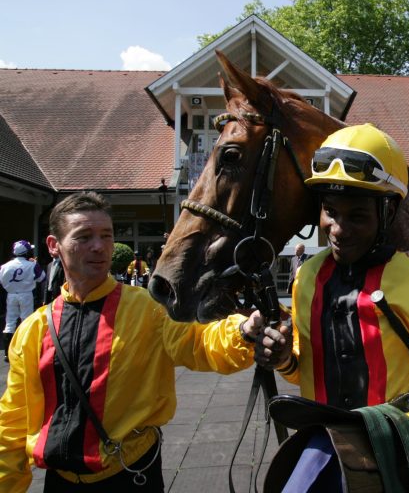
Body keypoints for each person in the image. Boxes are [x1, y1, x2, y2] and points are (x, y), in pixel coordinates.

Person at [0, 191, 263, 492]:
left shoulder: (149, 308)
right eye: (84, 237)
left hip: (131, 474)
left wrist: (242, 331)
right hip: (60, 481)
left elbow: (199, 344)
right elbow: (13, 421)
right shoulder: (33, 330)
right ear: (53, 246)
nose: (98, 246)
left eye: (106, 235)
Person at [252, 124, 409, 489]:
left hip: (393, 461)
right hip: (322, 446)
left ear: (390, 212)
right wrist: (284, 356)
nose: (337, 228)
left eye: (357, 216)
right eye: (330, 211)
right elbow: (303, 369)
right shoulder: (308, 279)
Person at [0, 240, 46, 362]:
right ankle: (23, 350)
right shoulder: (32, 265)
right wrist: (35, 264)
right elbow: (42, 277)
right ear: (26, 252)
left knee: (9, 323)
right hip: (26, 294)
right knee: (26, 320)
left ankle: (7, 353)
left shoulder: (5, 266)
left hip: (11, 295)